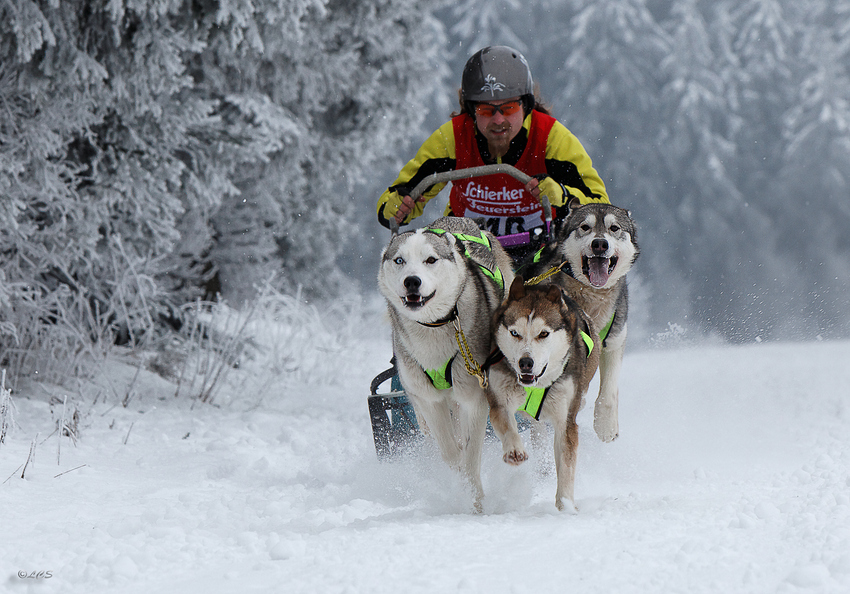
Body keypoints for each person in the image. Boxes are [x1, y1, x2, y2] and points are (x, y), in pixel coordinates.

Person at [377, 45, 610, 263]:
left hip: (539, 257)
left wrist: (563, 195)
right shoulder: (453, 137)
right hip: (468, 258)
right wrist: (398, 208)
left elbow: (603, 210)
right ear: (471, 111)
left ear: (526, 106)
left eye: (508, 108)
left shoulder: (552, 138)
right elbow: (392, 202)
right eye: (486, 110)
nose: (499, 120)